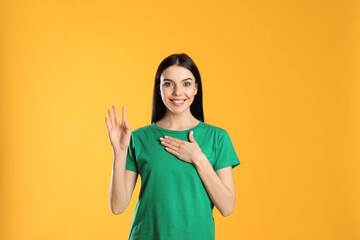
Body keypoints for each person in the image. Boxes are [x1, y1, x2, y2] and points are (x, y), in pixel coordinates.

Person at [106, 53, 241, 240]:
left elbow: (227, 207)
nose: (178, 92)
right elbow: (118, 206)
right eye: (168, 84)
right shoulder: (138, 138)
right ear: (159, 88)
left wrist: (198, 158)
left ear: (196, 88)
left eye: (186, 83)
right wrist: (119, 153)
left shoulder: (217, 137)